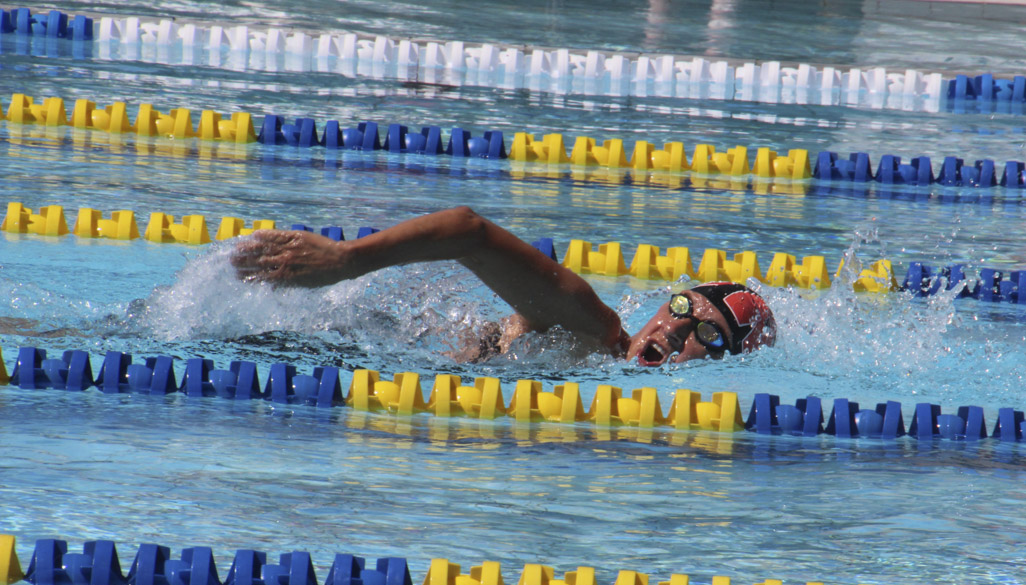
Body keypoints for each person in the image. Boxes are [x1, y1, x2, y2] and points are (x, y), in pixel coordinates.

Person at [231, 206, 775, 366]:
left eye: (709, 332)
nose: (677, 328)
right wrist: (347, 260)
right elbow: (469, 232)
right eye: (683, 306)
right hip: (349, 349)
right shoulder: (593, 327)